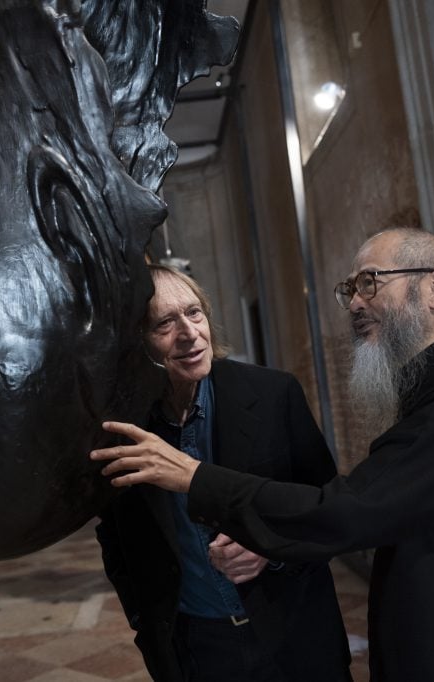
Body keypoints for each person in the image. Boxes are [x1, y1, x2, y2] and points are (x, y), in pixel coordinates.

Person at [92, 229, 434, 682]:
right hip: (206, 646)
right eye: (351, 289)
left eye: (371, 283)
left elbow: (343, 508)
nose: (355, 302)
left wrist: (196, 477)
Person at [95, 263, 352, 681]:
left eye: (194, 313)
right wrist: (146, 623)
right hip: (198, 648)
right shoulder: (122, 430)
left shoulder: (273, 395)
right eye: (164, 323)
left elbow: (330, 508)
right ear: (135, 343)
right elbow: (118, 540)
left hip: (293, 633)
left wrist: (271, 551)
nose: (189, 333)